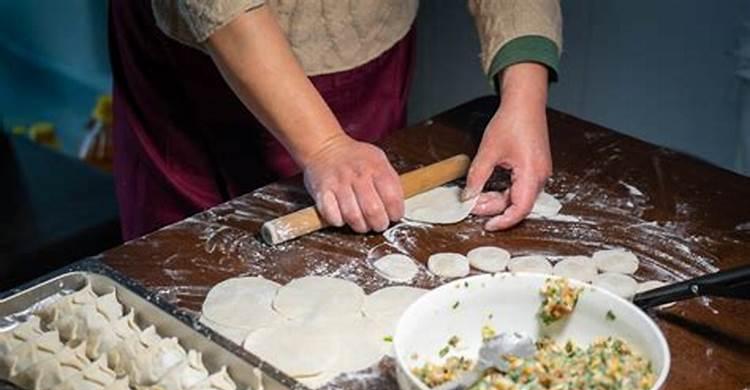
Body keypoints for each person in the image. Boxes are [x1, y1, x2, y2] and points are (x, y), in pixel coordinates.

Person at [109, 0, 561, 240]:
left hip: (368, 60)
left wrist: (522, 98)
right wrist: (325, 146)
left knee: (362, 230)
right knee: (190, 285)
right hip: (205, 70)